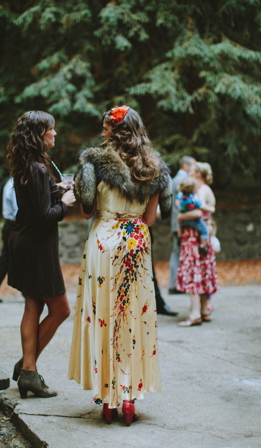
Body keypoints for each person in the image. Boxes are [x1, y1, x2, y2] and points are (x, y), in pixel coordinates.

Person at [68, 106, 172, 426]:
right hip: (137, 242)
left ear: (117, 130)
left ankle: (107, 401)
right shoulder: (154, 167)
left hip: (104, 241)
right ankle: (128, 399)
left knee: (104, 318)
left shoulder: (93, 164)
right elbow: (152, 219)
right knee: (132, 320)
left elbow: (87, 211)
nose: (102, 134)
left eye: (106, 128)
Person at [6, 111, 75, 398]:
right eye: (51, 129)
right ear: (39, 134)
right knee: (61, 310)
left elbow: (37, 204)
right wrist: (67, 201)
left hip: (27, 242)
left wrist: (55, 190)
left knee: (33, 307)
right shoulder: (36, 168)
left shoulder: (30, 165)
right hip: (36, 247)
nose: (55, 134)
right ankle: (28, 368)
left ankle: (28, 368)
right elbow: (46, 216)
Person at [175, 162, 219, 326]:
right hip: (200, 237)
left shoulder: (199, 190)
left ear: (198, 174)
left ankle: (195, 314)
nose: (189, 172)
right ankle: (203, 310)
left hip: (194, 238)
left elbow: (197, 212)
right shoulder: (205, 189)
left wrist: (180, 217)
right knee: (202, 271)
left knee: (193, 273)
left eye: (192, 170)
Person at [169, 156, 196, 294]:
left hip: (176, 221)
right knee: (177, 252)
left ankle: (177, 284)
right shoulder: (181, 180)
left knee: (177, 252)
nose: (194, 169)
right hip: (179, 222)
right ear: (185, 165)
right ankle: (174, 285)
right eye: (193, 166)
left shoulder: (175, 179)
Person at [177, 177, 211, 255]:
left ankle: (179, 235)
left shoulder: (180, 196)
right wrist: (210, 209)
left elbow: (177, 204)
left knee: (179, 222)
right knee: (204, 230)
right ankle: (203, 245)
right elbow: (201, 206)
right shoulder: (194, 199)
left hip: (183, 220)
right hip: (193, 220)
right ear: (193, 190)